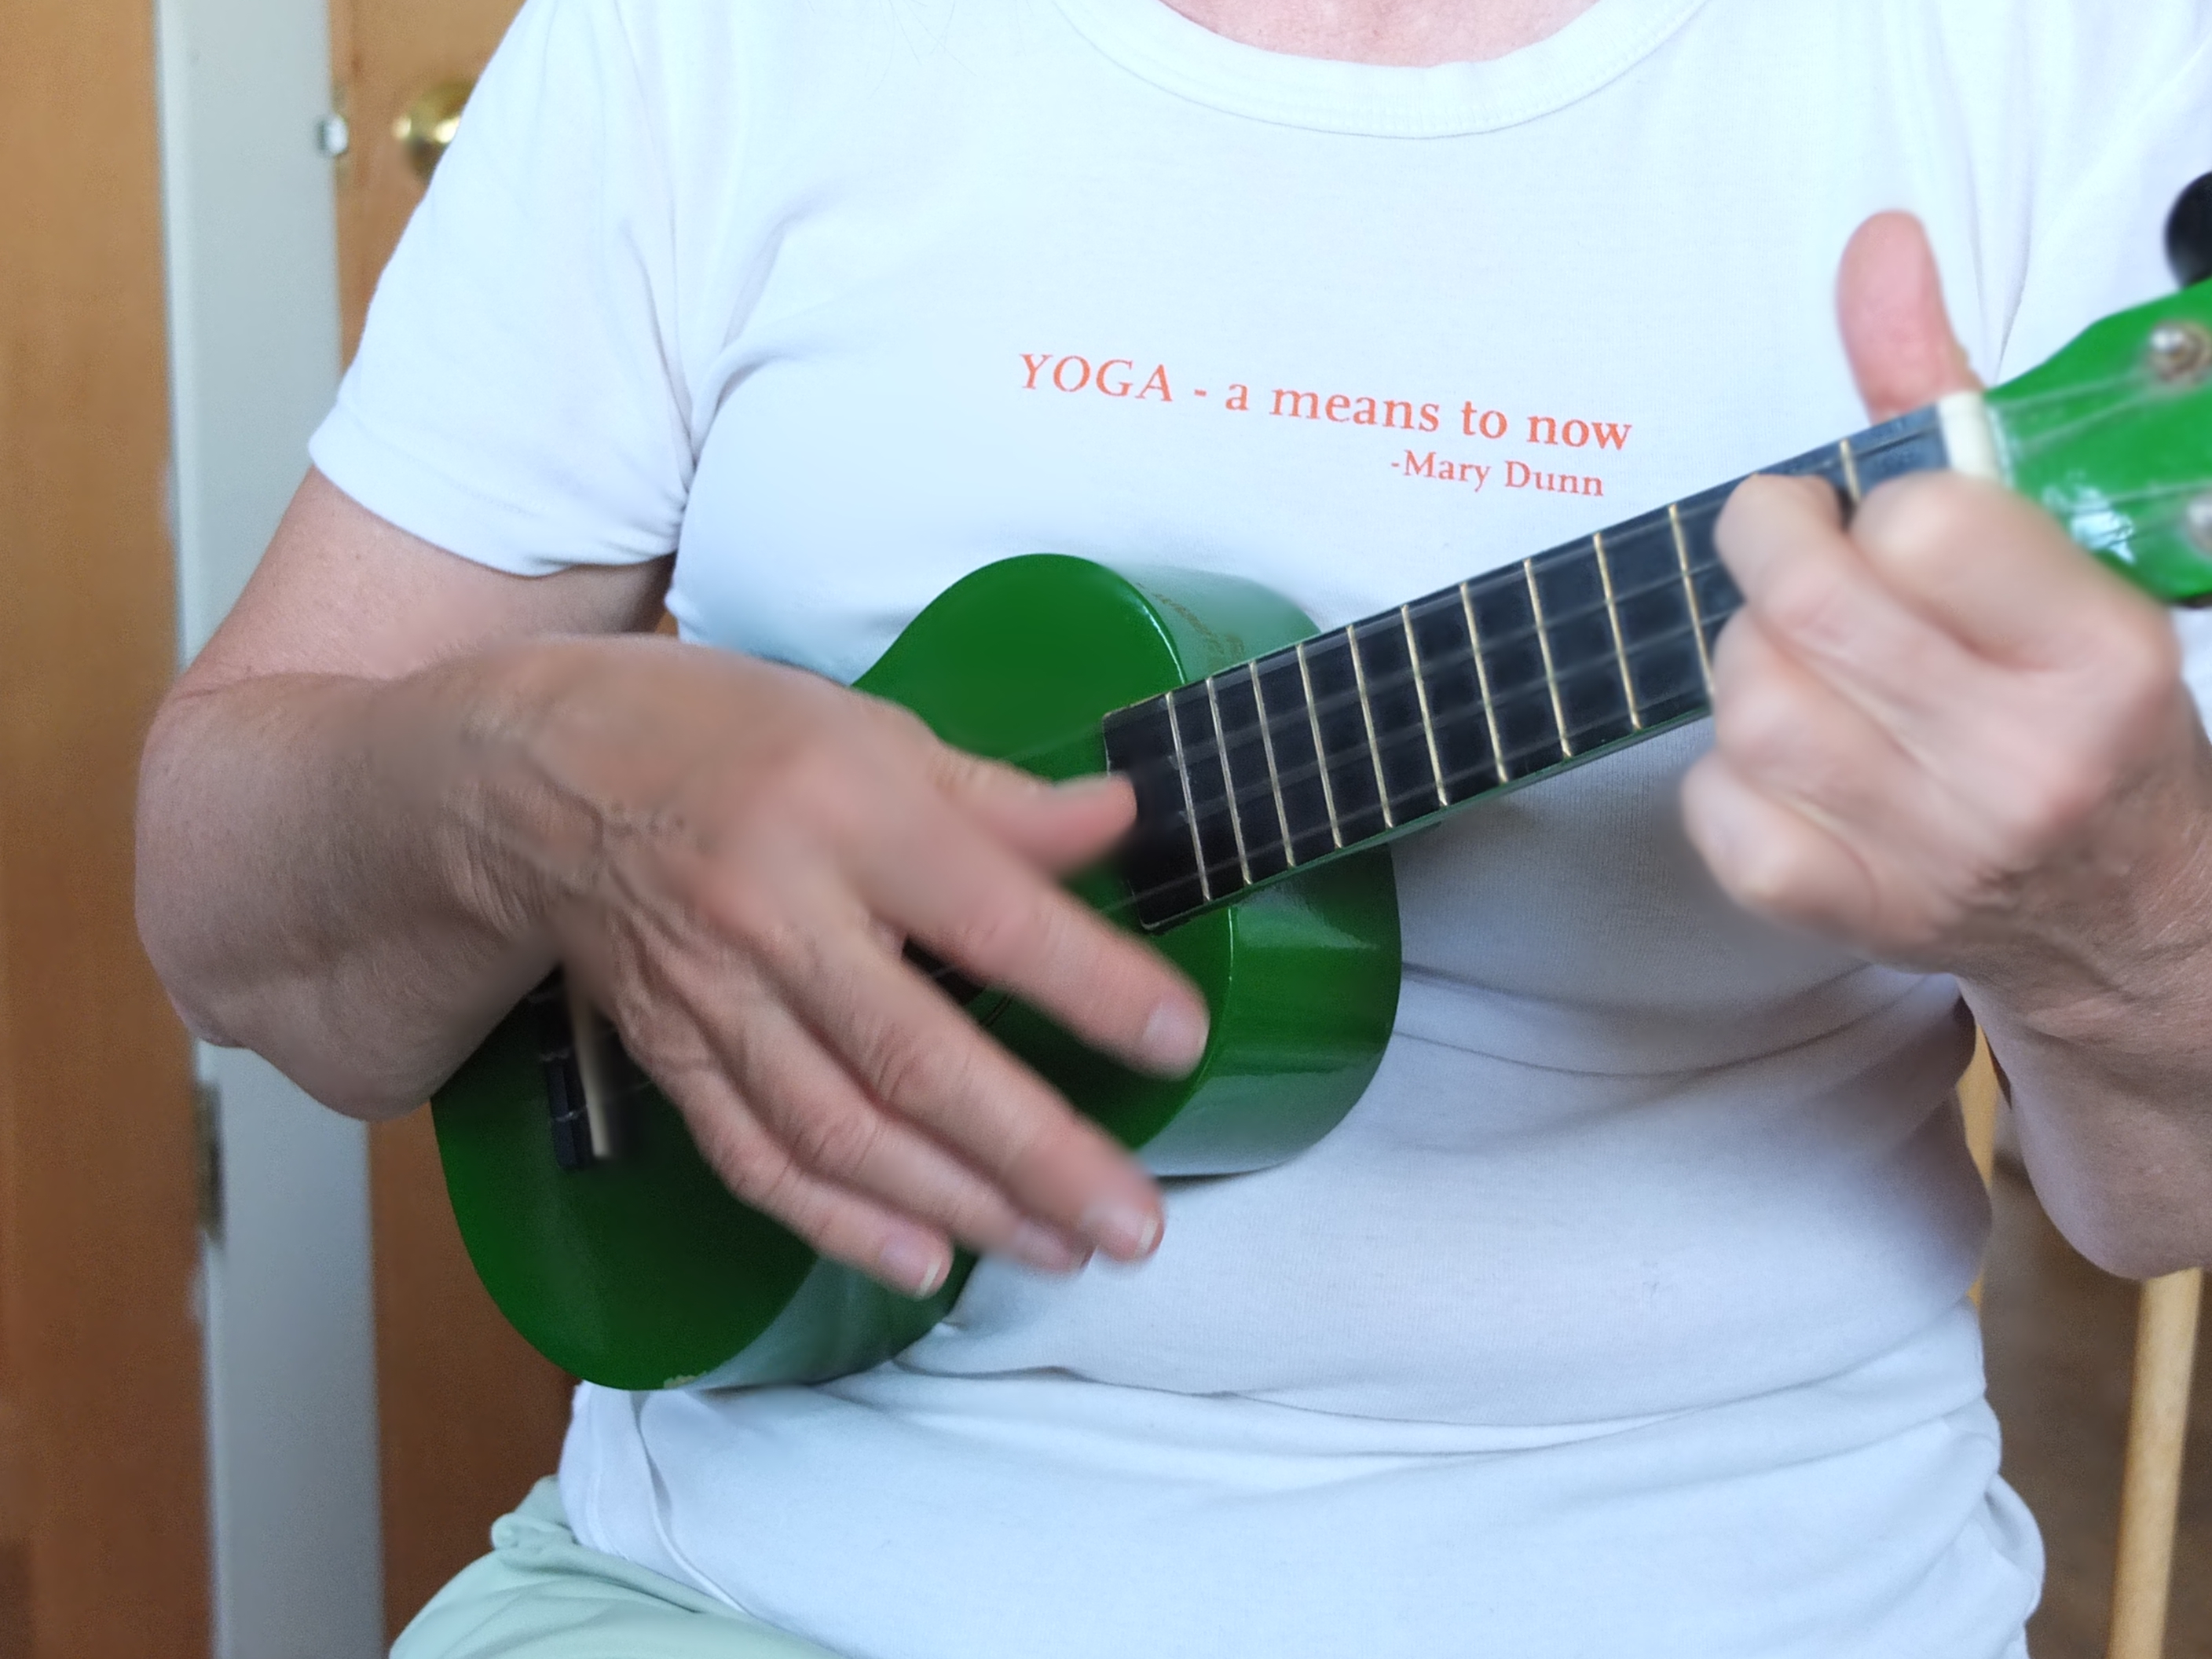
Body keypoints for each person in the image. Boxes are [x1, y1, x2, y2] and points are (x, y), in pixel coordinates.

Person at [136, 1, 2212, 1654]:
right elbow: (218, 902)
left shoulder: (2065, 62)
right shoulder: (716, 37)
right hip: (739, 1592)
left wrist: (2112, 922)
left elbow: (2163, 1197)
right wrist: (525, 778)